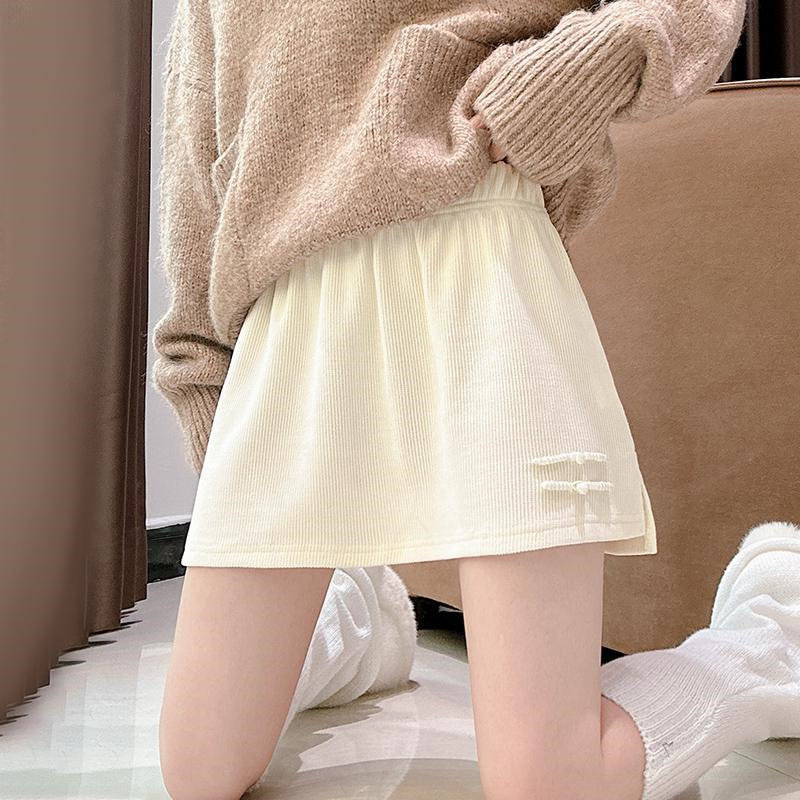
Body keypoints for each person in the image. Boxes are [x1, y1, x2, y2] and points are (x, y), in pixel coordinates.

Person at [150, 1, 798, 799]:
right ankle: (353, 620)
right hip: (288, 328)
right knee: (199, 773)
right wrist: (201, 375)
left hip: (485, 272)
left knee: (550, 784)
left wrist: (589, 64)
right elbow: (198, 146)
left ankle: (764, 640)